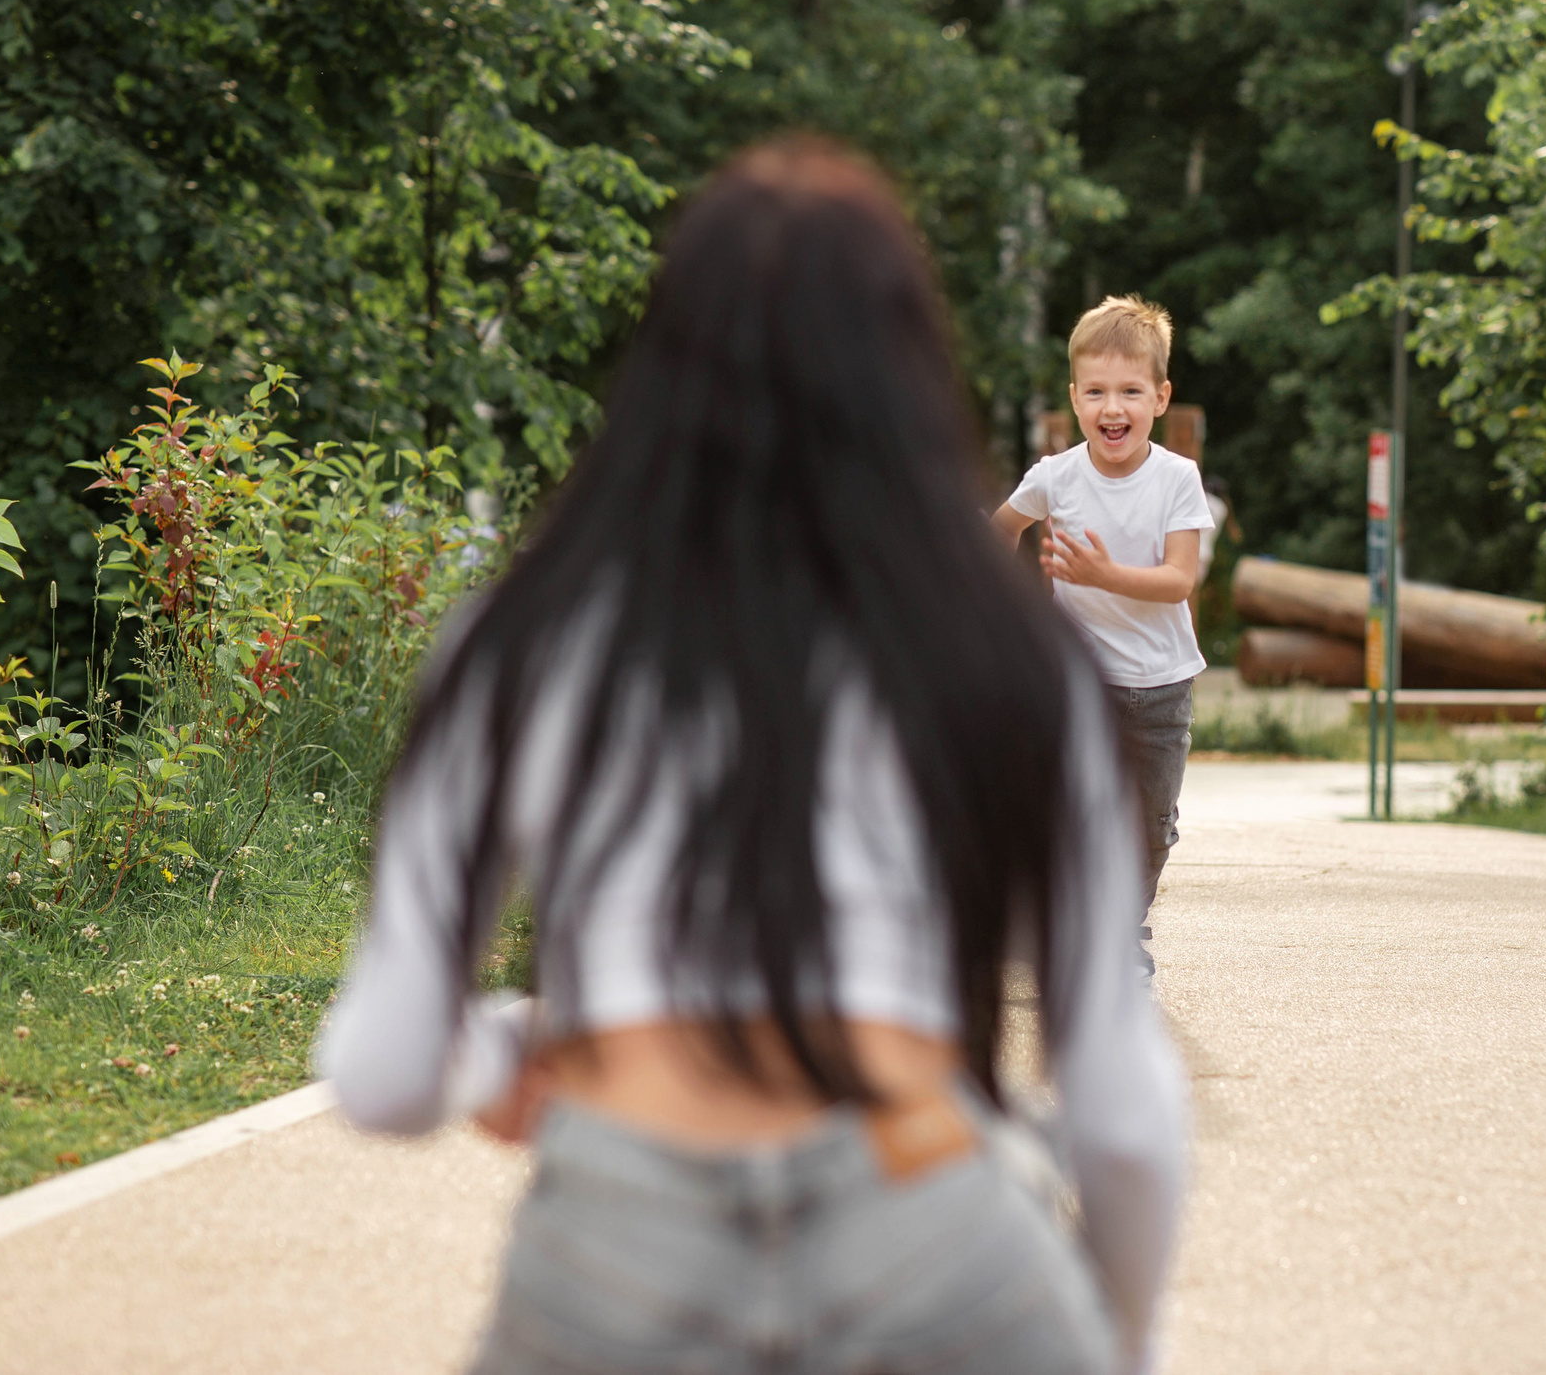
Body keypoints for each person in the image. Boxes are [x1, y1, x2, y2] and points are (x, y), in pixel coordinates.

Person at [314, 141, 1188, 1375]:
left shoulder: (524, 637)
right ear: (906, 376)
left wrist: (523, 1042)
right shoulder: (1006, 657)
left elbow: (381, 1073)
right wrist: (1122, 1342)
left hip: (613, 1251)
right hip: (933, 1224)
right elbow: (1125, 1113)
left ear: (666, 364)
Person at [990, 299, 1212, 959]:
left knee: (1150, 826)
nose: (1112, 408)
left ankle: (1121, 923)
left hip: (1163, 685)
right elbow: (1000, 531)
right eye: (1096, 392)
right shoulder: (1055, 477)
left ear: (1161, 397)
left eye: (1130, 391)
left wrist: (1101, 574)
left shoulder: (1177, 479)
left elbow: (1179, 579)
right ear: (1074, 397)